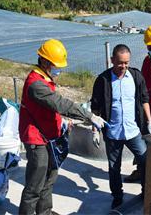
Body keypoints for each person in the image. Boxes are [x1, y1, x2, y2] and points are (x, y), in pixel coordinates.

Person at [18, 39, 105, 215]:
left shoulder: (44, 78)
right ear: (44, 61)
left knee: (50, 177)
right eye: (56, 65)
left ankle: (45, 212)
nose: (59, 69)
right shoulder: (36, 84)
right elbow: (60, 104)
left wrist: (62, 122)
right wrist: (89, 116)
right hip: (36, 139)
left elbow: (48, 110)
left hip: (48, 136)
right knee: (35, 184)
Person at [90, 44, 151, 209]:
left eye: (126, 63)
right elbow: (95, 107)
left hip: (133, 131)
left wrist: (149, 121)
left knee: (145, 160)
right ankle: (117, 196)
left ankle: (146, 190)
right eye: (120, 63)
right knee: (114, 167)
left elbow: (144, 99)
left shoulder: (135, 76)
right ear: (112, 60)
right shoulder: (103, 80)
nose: (123, 66)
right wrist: (95, 130)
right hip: (113, 132)